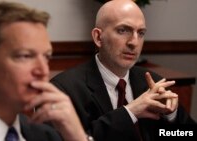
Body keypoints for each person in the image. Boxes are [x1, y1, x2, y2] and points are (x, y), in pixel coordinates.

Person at [51, 0, 196, 141]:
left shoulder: (152, 82)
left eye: (140, 33)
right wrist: (130, 113)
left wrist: (172, 115)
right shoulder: (64, 90)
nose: (134, 42)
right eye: (123, 30)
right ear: (98, 37)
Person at [0, 1, 91, 141]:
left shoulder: (47, 136)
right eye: (26, 56)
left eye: (46, 57)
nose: (43, 71)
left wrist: (77, 137)